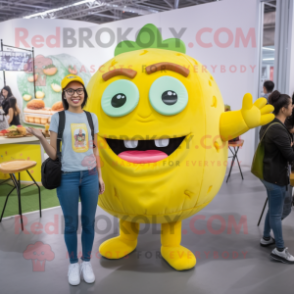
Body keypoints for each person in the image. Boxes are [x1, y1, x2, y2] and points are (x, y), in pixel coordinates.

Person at [27, 75, 105, 286]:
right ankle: (73, 263)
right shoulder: (58, 118)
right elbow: (53, 154)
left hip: (89, 176)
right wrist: (41, 137)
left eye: (79, 90)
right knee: (71, 224)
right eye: (70, 91)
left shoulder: (92, 118)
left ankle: (86, 262)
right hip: (67, 177)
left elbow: (95, 147)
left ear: (84, 93)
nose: (75, 94)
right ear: (64, 95)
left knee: (88, 223)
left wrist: (100, 175)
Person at [259, 90, 294, 264]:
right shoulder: (278, 130)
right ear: (283, 109)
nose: (293, 107)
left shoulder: (268, 123)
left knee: (273, 208)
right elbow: (291, 156)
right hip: (275, 176)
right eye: (291, 105)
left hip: (268, 173)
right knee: (276, 213)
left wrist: (288, 144)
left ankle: (266, 237)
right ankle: (280, 249)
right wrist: (289, 145)